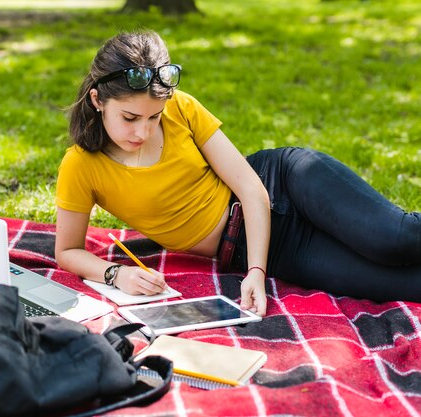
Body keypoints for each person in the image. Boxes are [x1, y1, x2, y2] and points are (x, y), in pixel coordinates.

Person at [54, 30, 421, 317]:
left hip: (285, 183)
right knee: (404, 283)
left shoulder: (181, 107)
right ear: (98, 100)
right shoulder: (81, 165)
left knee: (395, 239)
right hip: (269, 248)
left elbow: (250, 186)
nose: (143, 131)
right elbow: (68, 250)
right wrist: (116, 274)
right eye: (130, 118)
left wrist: (257, 273)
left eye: (154, 117)